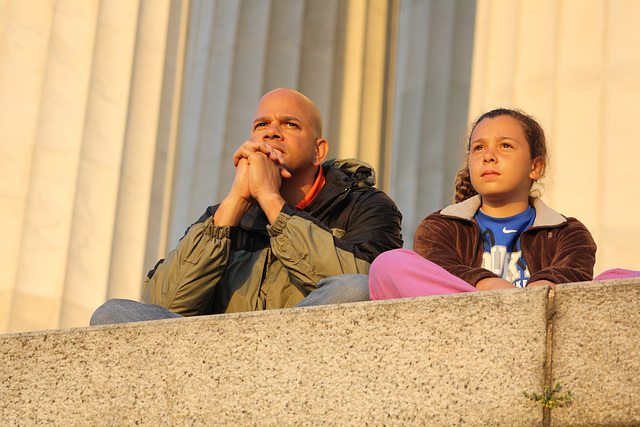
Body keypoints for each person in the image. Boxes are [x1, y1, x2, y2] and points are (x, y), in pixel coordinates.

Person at [91, 88, 402, 325]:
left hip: (301, 354)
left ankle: (260, 357)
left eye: (290, 124)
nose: (271, 132)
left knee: (354, 289)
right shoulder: (224, 216)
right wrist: (236, 201)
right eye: (261, 124)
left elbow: (369, 290)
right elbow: (165, 303)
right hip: (218, 356)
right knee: (111, 314)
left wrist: (272, 202)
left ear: (318, 151)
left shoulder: (366, 205)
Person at [367, 107, 634, 300]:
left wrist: (536, 293)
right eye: (479, 148)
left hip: (544, 317)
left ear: (535, 166)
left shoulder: (567, 231)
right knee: (388, 264)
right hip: (464, 321)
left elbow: (573, 274)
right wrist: (496, 291)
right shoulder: (441, 225)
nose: (489, 156)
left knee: (623, 278)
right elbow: (441, 271)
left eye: (505, 146)